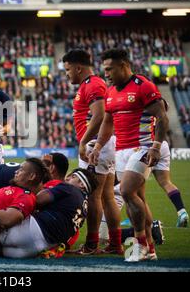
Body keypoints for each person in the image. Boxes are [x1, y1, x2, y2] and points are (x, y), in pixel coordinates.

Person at [89, 49, 169, 262]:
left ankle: (140, 245)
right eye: (104, 69)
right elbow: (107, 122)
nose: (105, 73)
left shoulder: (144, 86)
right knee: (138, 198)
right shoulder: (110, 91)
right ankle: (151, 249)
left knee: (125, 191)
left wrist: (156, 146)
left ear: (123, 65)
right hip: (121, 151)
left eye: (109, 69)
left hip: (142, 148)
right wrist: (97, 146)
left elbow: (162, 116)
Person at [63, 49, 121, 255]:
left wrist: (84, 143)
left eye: (68, 70)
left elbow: (100, 116)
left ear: (79, 68)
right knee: (107, 196)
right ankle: (115, 244)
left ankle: (91, 244)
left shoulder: (93, 84)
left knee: (94, 196)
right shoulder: (90, 85)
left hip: (96, 146)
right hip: (104, 145)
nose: (67, 74)